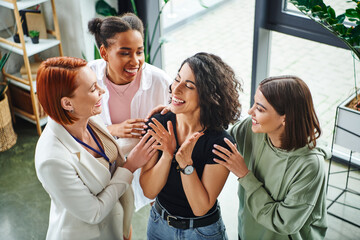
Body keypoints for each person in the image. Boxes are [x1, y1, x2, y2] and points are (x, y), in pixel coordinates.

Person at [35, 56, 157, 240]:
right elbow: (94, 212)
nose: (103, 90)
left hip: (118, 222)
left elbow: (105, 156)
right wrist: (130, 166)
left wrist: (146, 138)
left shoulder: (86, 117)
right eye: (93, 89)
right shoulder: (52, 160)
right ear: (67, 103)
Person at [212, 76, 329, 240]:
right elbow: (213, 143)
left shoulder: (310, 165)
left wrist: (245, 176)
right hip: (247, 233)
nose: (250, 111)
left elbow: (284, 222)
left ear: (285, 118)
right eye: (254, 104)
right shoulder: (250, 128)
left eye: (260, 109)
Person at [140, 52, 242, 239]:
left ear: (207, 96)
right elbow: (149, 190)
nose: (175, 89)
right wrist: (167, 155)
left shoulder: (220, 143)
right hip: (158, 225)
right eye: (177, 79)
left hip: (201, 232)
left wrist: (186, 164)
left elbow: (200, 207)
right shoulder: (158, 123)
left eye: (188, 86)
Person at [87, 13, 172, 211]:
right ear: (104, 52)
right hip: (105, 168)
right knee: (119, 217)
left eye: (139, 52)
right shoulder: (88, 76)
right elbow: (74, 124)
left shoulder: (160, 81)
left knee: (157, 208)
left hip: (151, 167)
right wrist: (113, 129)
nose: (135, 61)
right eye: (125, 53)